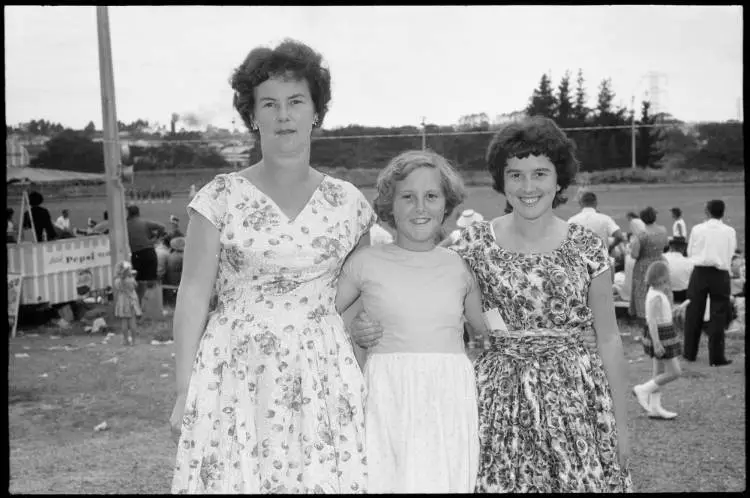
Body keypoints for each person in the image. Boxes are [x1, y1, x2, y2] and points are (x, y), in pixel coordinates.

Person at [352, 116, 630, 492]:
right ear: (502, 180)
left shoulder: (586, 247)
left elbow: (610, 338)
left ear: (559, 179)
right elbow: (417, 277)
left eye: (540, 173)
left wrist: (622, 425)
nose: (527, 186)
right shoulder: (473, 244)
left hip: (574, 399)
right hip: (494, 403)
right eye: (515, 174)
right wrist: (366, 325)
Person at [169, 39, 373, 494]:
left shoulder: (350, 205)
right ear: (252, 115)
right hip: (235, 369)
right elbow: (193, 296)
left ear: (315, 111)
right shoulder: (217, 198)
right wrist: (185, 390)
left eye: (296, 101)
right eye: (270, 103)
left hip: (322, 373)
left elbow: (357, 301)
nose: (284, 115)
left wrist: (359, 378)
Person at [336, 150, 485, 493]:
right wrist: (354, 328)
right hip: (388, 393)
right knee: (388, 477)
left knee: (444, 478)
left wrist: (534, 331)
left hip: (448, 394)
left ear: (446, 203)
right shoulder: (365, 262)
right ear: (390, 203)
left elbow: (489, 329)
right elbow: (322, 319)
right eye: (408, 197)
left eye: (431, 196)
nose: (420, 207)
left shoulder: (459, 266)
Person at [683, 199, 737, 367]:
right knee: (718, 314)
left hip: (700, 271)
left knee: (694, 313)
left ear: (707, 211)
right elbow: (731, 251)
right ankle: (716, 356)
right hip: (720, 273)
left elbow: (691, 251)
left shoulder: (698, 229)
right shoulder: (729, 231)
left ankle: (689, 353)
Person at [632, 261, 684, 420]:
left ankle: (654, 408)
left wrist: (673, 311)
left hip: (662, 332)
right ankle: (642, 389)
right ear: (661, 279)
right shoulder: (656, 296)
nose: (667, 284)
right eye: (666, 280)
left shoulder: (655, 294)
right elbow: (653, 322)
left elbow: (658, 316)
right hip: (661, 335)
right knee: (675, 372)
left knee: (659, 372)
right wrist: (657, 343)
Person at [629, 206, 669, 325]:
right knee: (660, 288)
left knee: (642, 292)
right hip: (659, 262)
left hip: (643, 266)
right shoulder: (663, 230)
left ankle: (643, 317)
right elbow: (666, 246)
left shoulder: (642, 235)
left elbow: (634, 254)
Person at [126, 204, 167, 305]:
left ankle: (139, 305)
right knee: (151, 281)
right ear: (138, 213)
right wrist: (154, 239)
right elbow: (162, 227)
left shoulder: (126, 225)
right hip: (149, 252)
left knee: (139, 282)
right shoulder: (144, 222)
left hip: (136, 254)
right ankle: (153, 305)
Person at [113, 260, 142, 346]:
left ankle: (125, 340)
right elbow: (135, 286)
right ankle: (134, 341)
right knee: (132, 322)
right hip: (131, 302)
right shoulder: (130, 280)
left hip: (122, 302)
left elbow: (118, 287)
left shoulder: (117, 281)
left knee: (124, 322)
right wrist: (133, 277)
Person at [663, 236, 693, 304]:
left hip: (665, 293)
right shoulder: (690, 262)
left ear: (670, 247)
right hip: (682, 295)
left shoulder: (662, 257)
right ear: (683, 248)